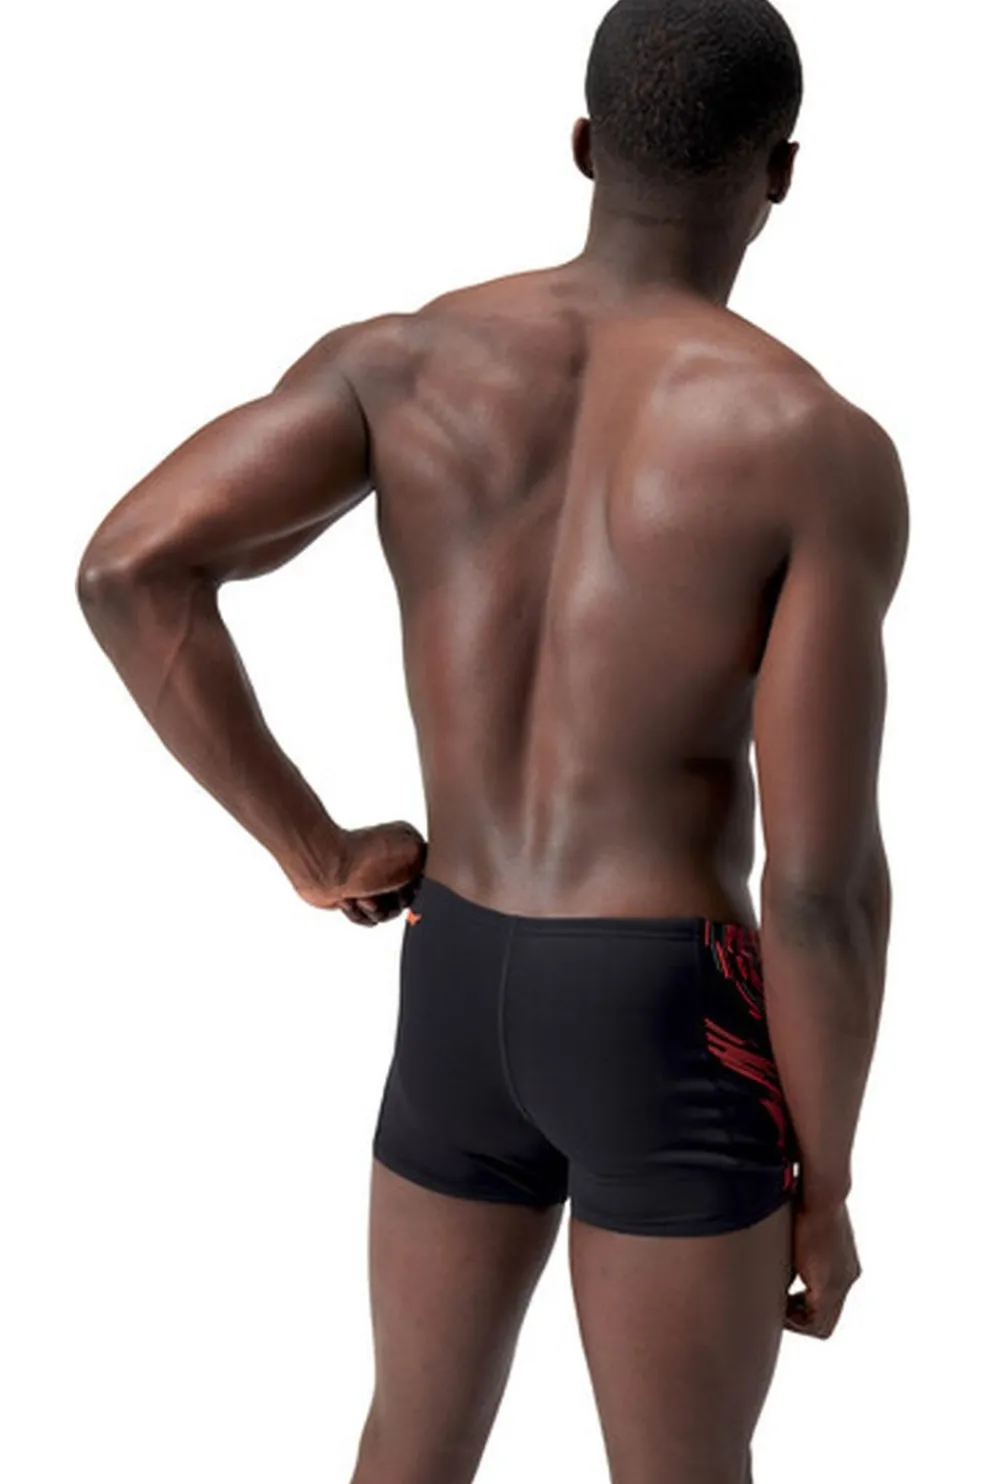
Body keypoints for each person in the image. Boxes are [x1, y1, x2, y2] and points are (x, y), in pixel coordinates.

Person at [76, 0, 909, 1479]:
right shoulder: (813, 446)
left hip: (456, 968)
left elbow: (130, 567)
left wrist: (315, 852)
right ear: (783, 173)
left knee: (411, 1443)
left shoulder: (401, 362)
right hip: (664, 1011)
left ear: (583, 145)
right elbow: (822, 886)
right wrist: (827, 1182)